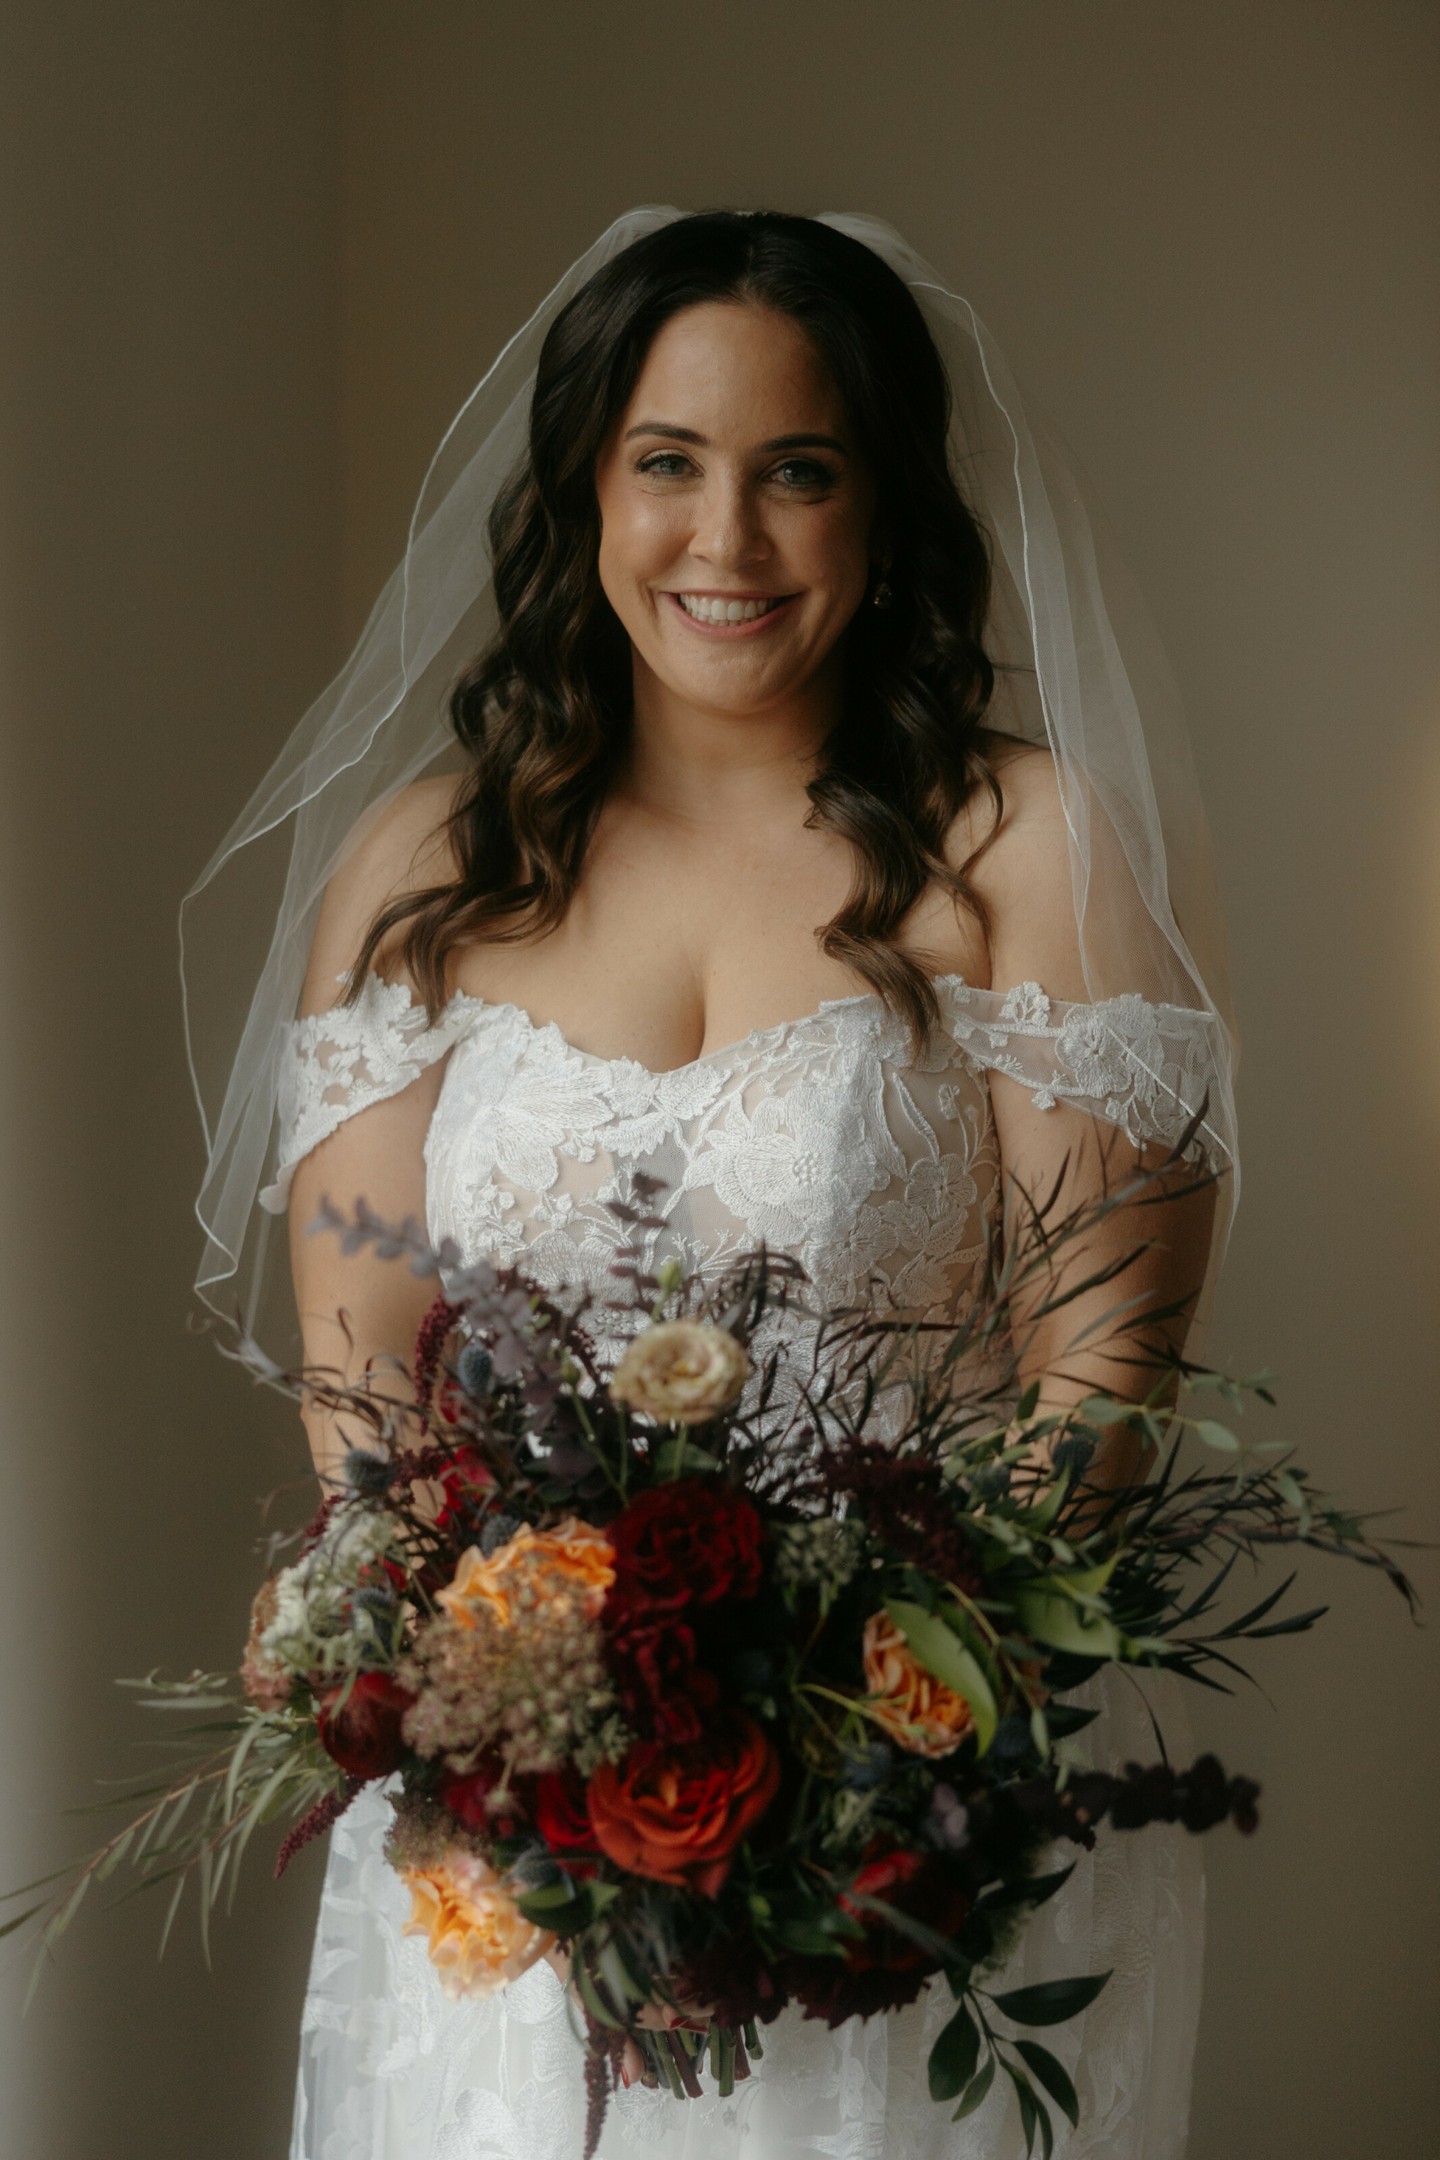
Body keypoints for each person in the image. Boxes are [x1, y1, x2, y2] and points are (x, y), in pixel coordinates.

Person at [186, 209, 1237, 2159]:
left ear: (885, 502)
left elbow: (1104, 1370)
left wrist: (852, 1716)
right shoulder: (430, 863)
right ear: (589, 484)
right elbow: (365, 1380)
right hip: (513, 1830)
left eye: (798, 472)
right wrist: (485, 1683)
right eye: (669, 463)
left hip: (908, 1816)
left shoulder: (1022, 845)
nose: (726, 542)